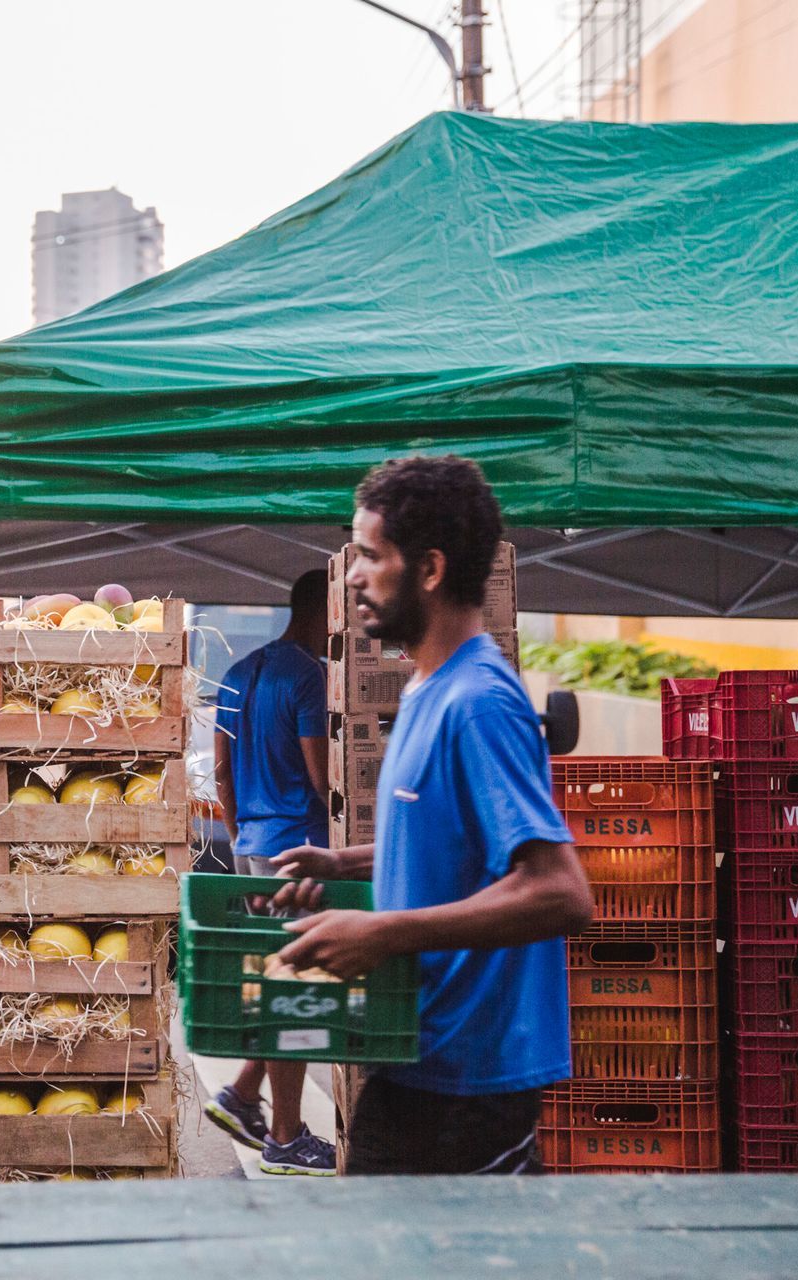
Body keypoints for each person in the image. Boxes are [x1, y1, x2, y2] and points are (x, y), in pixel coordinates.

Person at [271, 455, 593, 1176]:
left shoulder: (479, 701)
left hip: (471, 1086)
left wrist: (382, 931)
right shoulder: (425, 689)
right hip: (417, 1059)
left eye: (370, 556)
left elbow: (560, 892)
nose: (352, 575)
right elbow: (453, 844)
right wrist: (343, 865)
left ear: (430, 569)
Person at [205, 569, 339, 1176]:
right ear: (327, 610)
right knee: (298, 991)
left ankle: (240, 1093)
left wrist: (238, 836)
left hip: (251, 845)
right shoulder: (308, 675)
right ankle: (286, 1137)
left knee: (277, 977)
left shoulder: (237, 674)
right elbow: (322, 778)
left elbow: (223, 774)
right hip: (299, 849)